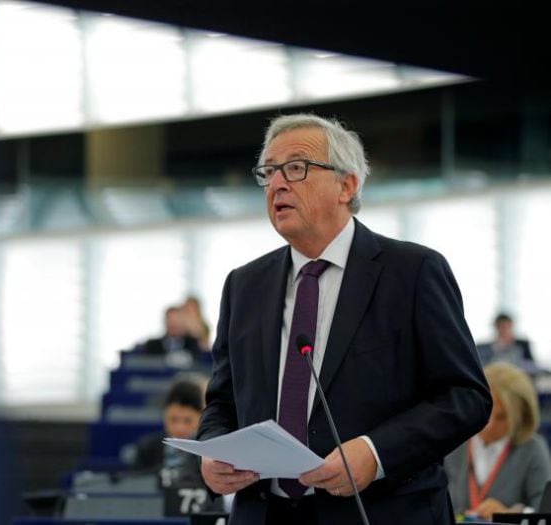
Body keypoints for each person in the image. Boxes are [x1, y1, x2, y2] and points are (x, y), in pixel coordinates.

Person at [197, 113, 492, 524]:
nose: (277, 184)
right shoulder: (244, 285)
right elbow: (222, 402)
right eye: (268, 172)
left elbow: (465, 397)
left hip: (380, 511)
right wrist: (213, 450)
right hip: (265, 513)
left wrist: (375, 452)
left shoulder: (412, 272)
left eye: (296, 168)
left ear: (346, 184)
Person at [445, 362, 551, 521]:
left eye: (502, 417)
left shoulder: (532, 449)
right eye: (486, 412)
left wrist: (511, 517)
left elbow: (544, 514)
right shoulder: (454, 443)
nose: (489, 425)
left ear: (521, 416)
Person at [131, 379, 205, 484]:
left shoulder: (207, 454)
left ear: (200, 419)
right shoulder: (147, 448)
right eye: (173, 419)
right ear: (164, 417)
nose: (180, 428)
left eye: (187, 420)